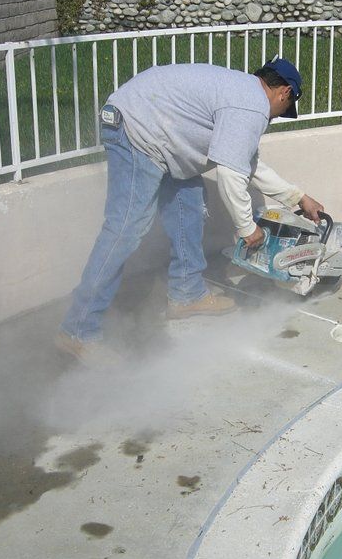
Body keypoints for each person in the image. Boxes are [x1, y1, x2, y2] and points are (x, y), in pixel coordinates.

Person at [56, 57, 325, 367]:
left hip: (159, 132)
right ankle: (76, 330)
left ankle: (187, 295)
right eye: (284, 110)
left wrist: (299, 197)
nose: (276, 117)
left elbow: (246, 164)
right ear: (284, 92)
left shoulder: (242, 95)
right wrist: (247, 227)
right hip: (136, 130)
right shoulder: (251, 105)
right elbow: (230, 174)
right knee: (126, 229)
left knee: (190, 202)